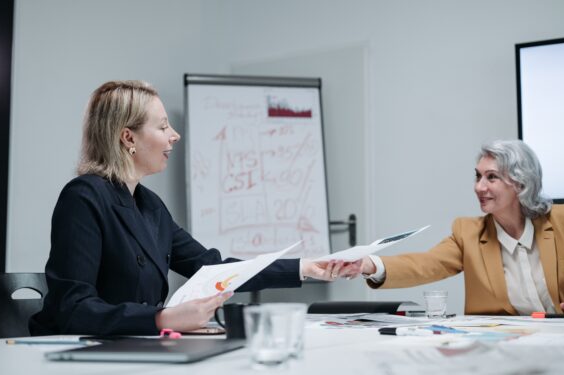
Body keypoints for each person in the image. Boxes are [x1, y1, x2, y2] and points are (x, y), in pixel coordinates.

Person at [29, 80, 361, 336]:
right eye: (161, 127)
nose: (174, 135)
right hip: (76, 355)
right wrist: (162, 318)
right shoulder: (84, 197)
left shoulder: (149, 205)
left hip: (133, 346)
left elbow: (212, 269)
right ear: (127, 138)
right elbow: (74, 308)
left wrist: (306, 267)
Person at [357, 140, 564, 317]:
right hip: (507, 350)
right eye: (478, 176)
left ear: (521, 183)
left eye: (491, 177)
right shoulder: (469, 232)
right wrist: (368, 264)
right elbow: (426, 264)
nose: (479, 187)